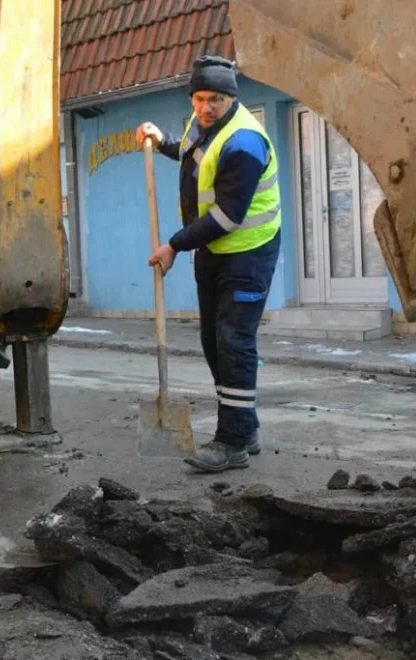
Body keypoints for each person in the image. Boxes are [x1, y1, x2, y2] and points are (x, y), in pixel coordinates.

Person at [135, 55, 281, 474]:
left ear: (232, 98)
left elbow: (227, 216)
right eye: (199, 98)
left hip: (248, 250)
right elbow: (189, 155)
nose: (205, 107)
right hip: (214, 251)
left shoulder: (244, 143)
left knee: (234, 341)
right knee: (213, 342)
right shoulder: (200, 126)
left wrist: (175, 246)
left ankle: (232, 442)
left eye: (215, 99)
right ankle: (244, 426)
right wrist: (159, 139)